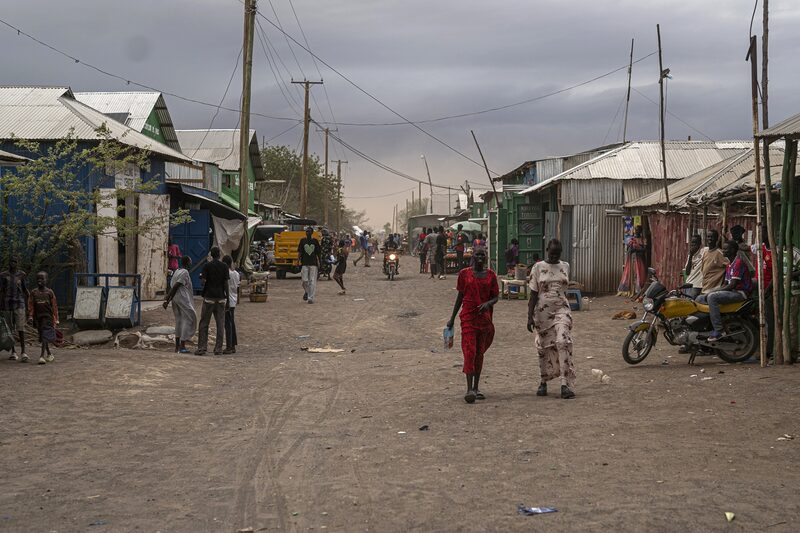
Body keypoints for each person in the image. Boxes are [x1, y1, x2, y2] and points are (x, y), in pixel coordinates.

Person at [446, 247, 499, 404]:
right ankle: (469, 389)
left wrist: (487, 304)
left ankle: (476, 388)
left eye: (483, 255)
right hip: (468, 317)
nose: (480, 257)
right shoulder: (464, 274)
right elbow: (460, 297)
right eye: (477, 255)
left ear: (486, 257)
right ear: (473, 257)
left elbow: (495, 296)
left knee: (479, 353)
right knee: (470, 351)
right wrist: (452, 318)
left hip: (484, 319)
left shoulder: (491, 275)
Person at [527, 239, 576, 399]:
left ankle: (564, 384)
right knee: (544, 347)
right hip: (542, 313)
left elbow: (564, 289)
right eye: (552, 253)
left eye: (557, 253)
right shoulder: (538, 267)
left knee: (562, 341)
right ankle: (543, 381)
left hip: (562, 309)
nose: (554, 256)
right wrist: (529, 316)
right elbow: (533, 294)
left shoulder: (565, 266)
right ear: (547, 250)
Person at [697, 240, 753, 342]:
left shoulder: (738, 263)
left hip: (740, 293)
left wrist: (712, 292)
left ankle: (719, 330)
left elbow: (732, 285)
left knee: (712, 297)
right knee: (699, 298)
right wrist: (713, 291)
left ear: (733, 250)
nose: (723, 251)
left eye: (726, 249)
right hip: (732, 292)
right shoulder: (729, 265)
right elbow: (725, 284)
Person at [195, 246, 229, 356]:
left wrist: (203, 279)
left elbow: (203, 282)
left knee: (204, 323)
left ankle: (202, 348)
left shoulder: (207, 266)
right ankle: (218, 348)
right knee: (220, 324)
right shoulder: (224, 266)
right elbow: (226, 284)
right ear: (219, 255)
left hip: (209, 298)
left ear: (211, 255)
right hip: (221, 298)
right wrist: (227, 299)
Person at [163, 255, 197, 354]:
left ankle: (177, 347)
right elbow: (176, 286)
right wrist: (167, 299)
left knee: (179, 321)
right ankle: (182, 345)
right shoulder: (184, 272)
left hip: (175, 299)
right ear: (187, 263)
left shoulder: (177, 271)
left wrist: (168, 299)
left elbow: (172, 286)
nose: (191, 264)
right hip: (182, 299)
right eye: (190, 262)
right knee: (189, 318)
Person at [0, 257, 29, 362]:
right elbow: (1, 290)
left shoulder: (22, 275)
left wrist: (28, 306)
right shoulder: (3, 275)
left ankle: (23, 352)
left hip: (19, 303)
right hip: (7, 305)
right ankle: (13, 352)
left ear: (18, 263)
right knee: (10, 329)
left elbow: (25, 290)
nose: (13, 263)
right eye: (11, 261)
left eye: (15, 262)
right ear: (9, 263)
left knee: (21, 328)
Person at [28, 271, 58, 365]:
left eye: (42, 279)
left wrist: (56, 319)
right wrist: (30, 316)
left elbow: (54, 306)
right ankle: (49, 354)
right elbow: (31, 305)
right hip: (38, 318)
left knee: (45, 334)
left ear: (46, 280)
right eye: (38, 279)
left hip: (48, 317)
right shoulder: (34, 292)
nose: (40, 281)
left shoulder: (49, 292)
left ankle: (41, 356)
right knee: (42, 336)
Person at [617, 225, 647, 295]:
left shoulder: (643, 239)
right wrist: (631, 249)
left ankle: (638, 290)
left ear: (640, 231)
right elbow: (628, 249)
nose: (636, 232)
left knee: (640, 274)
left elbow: (644, 250)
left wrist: (636, 249)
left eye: (638, 230)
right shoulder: (632, 240)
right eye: (636, 230)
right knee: (633, 274)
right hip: (633, 260)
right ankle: (632, 289)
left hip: (640, 259)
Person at [700, 230, 728, 295]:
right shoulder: (705, 252)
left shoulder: (720, 253)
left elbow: (730, 266)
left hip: (714, 290)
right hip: (704, 288)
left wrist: (725, 282)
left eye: (712, 237)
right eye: (708, 237)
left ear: (716, 239)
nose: (710, 238)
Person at [298, 226, 321, 304]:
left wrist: (320, 263)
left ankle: (310, 298)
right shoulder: (302, 240)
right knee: (304, 280)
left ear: (312, 233)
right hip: (304, 263)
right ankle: (307, 291)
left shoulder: (315, 241)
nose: (307, 232)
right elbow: (300, 252)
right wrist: (298, 261)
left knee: (312, 281)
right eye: (306, 231)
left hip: (313, 263)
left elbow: (318, 253)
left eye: (308, 231)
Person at [222, 255, 240, 354]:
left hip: (227, 300)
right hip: (234, 300)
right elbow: (237, 288)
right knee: (231, 323)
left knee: (228, 324)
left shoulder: (226, 274)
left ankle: (229, 346)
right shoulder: (236, 274)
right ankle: (232, 345)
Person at [683, 234, 705, 299]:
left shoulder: (704, 251)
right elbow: (687, 272)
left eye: (695, 243)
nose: (693, 245)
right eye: (692, 242)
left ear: (700, 244)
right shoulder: (690, 255)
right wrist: (690, 256)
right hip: (688, 283)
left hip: (697, 284)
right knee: (686, 302)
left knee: (691, 302)